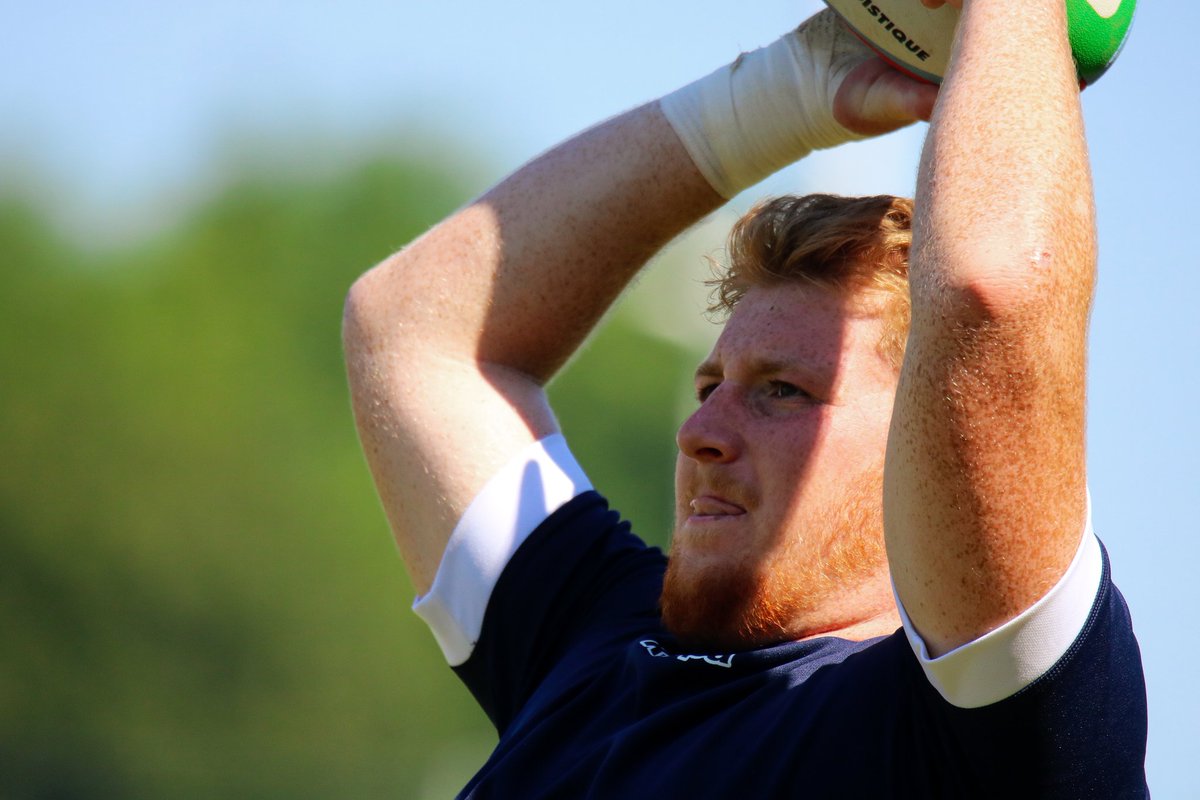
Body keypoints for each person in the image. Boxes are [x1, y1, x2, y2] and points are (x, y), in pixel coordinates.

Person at [342, 0, 1148, 796]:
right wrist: (786, 87)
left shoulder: (980, 734)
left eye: (782, 392)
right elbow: (410, 332)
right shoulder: (588, 638)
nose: (700, 431)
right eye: (709, 385)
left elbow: (989, 292)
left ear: (926, 442)